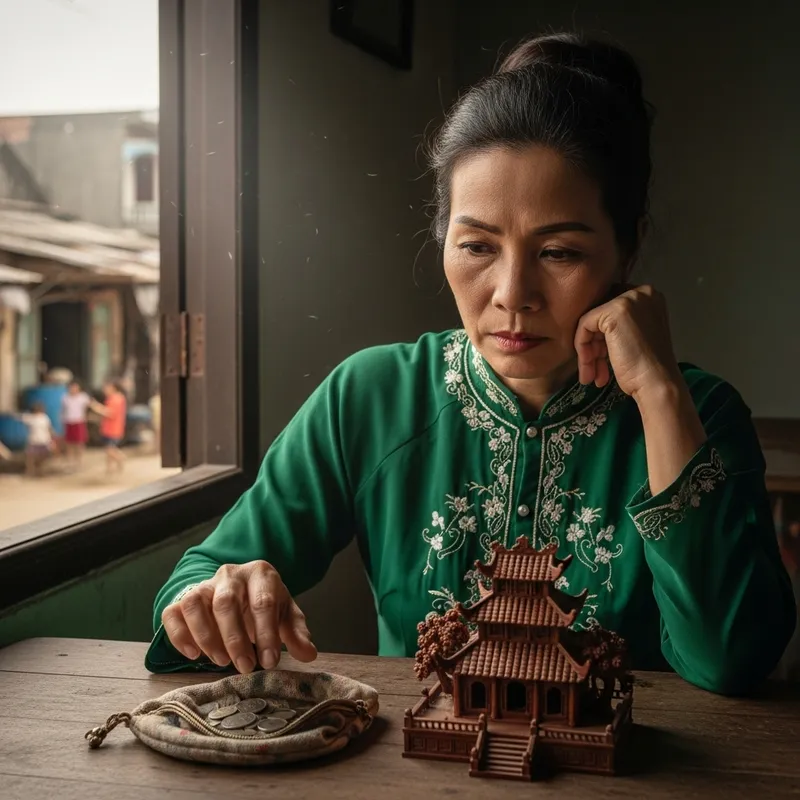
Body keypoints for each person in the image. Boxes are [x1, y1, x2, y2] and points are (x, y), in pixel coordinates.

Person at [147, 33, 796, 695]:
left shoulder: (699, 411)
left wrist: (659, 394)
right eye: (478, 246)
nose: (512, 293)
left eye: (559, 252)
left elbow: (733, 661)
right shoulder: (372, 395)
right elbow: (192, 589)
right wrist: (219, 595)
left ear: (628, 250)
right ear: (444, 240)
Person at [60, 380, 105, 467]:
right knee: (69, 443)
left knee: (79, 442)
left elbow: (92, 405)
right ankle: (70, 461)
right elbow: (63, 410)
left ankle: (79, 461)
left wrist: (102, 411)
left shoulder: (83, 397)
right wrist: (62, 421)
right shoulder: (65, 398)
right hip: (68, 421)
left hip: (79, 421)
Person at [96, 381, 127, 473]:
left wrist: (97, 408)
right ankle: (109, 468)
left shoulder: (117, 399)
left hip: (114, 429)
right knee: (109, 449)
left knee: (110, 449)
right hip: (109, 428)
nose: (105, 390)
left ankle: (120, 459)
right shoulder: (112, 398)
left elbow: (110, 413)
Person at [20, 402, 55, 477]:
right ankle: (30, 471)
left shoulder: (44, 418)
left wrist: (52, 439)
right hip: (34, 441)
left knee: (40, 457)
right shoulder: (31, 418)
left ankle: (39, 471)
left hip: (43, 440)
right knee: (30, 457)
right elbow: (21, 417)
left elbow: (49, 428)